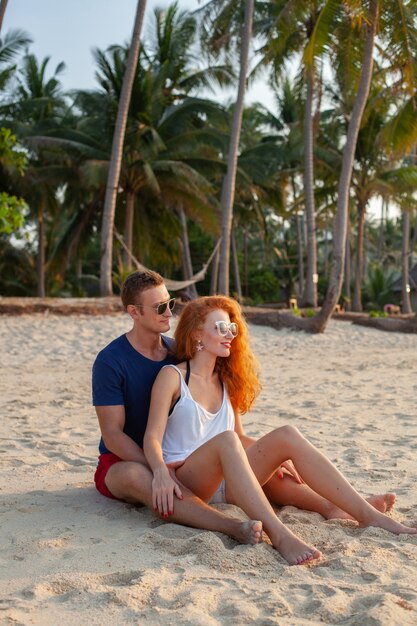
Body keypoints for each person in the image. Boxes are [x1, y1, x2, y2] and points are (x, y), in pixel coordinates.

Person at [143, 295, 417, 565]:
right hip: (190, 481)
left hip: (231, 479)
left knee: (286, 434)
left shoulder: (225, 381)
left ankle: (366, 514)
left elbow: (239, 437)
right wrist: (159, 473)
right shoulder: (173, 377)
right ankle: (280, 534)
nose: (230, 335)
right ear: (197, 334)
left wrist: (278, 456)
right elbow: (152, 437)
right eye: (221, 328)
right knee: (226, 440)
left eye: (232, 328)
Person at [92, 270, 263, 546]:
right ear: (134, 312)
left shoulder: (177, 352)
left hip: (176, 457)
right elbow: (112, 435)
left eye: (170, 304)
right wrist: (158, 467)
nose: (168, 313)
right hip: (122, 460)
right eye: (160, 307)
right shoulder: (110, 361)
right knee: (139, 477)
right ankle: (230, 526)